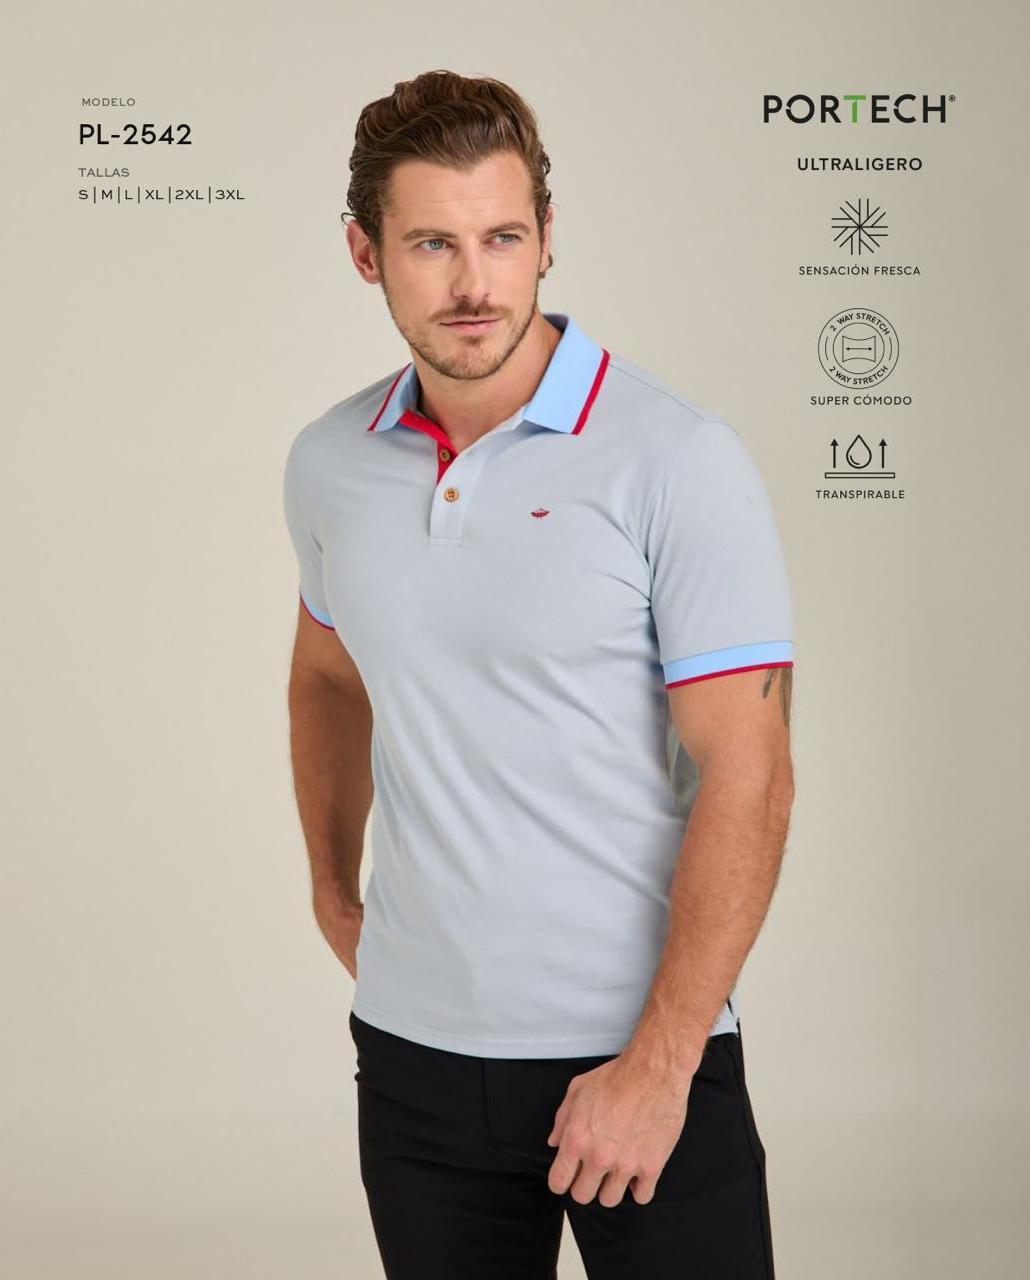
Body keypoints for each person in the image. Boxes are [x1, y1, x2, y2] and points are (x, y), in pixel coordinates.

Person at [283, 68, 794, 1280]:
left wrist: (659, 1061)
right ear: (365, 252)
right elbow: (329, 676)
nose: (474, 282)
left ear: (546, 238)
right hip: (414, 1062)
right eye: (432, 244)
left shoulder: (675, 458)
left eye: (503, 237)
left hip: (639, 1051)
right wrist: (331, 888)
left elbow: (752, 773)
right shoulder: (328, 462)